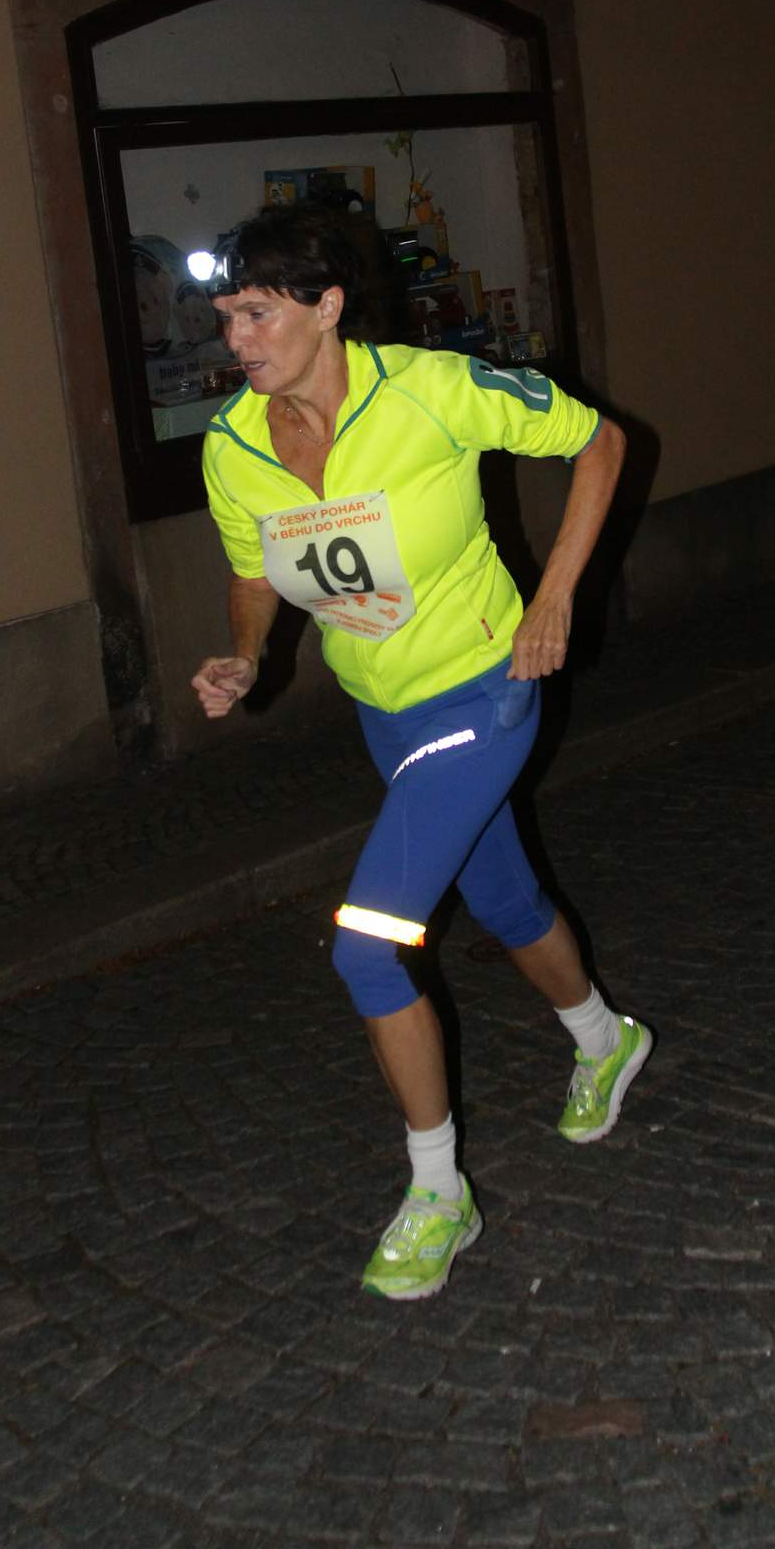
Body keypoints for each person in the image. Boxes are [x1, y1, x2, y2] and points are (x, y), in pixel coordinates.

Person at [190, 205, 650, 1301]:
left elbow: (601, 443)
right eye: (226, 317)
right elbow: (255, 571)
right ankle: (605, 1039)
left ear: (327, 306)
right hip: (385, 714)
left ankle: (438, 1191)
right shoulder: (232, 444)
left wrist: (556, 597)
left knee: (366, 947)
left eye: (257, 313)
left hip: (484, 690)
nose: (236, 339)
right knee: (503, 899)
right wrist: (246, 655)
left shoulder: (433, 389)